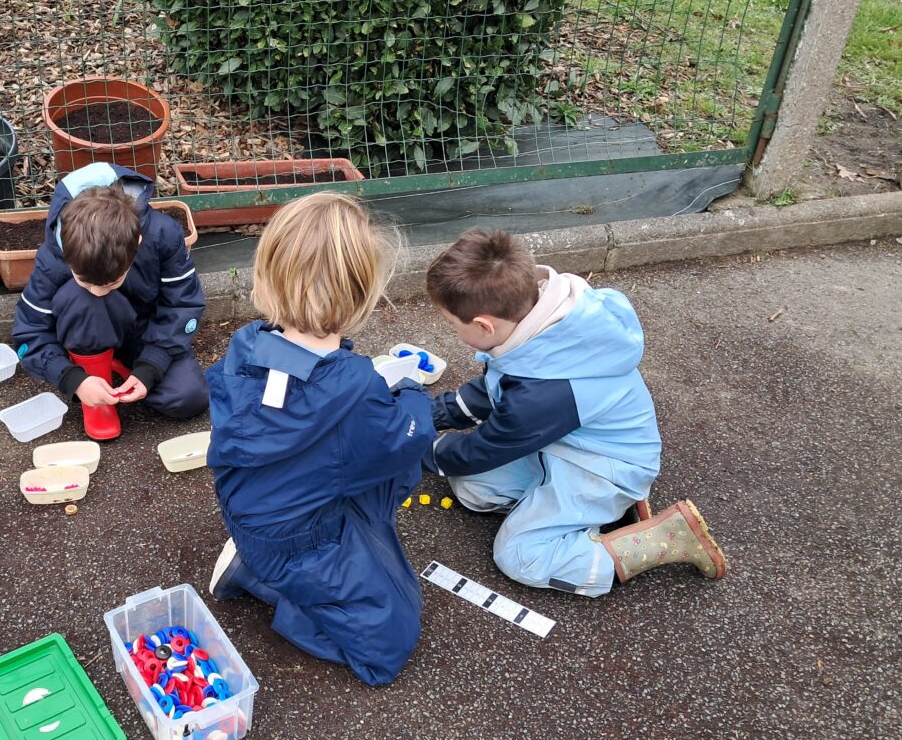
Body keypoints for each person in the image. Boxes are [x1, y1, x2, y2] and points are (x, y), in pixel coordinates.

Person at [205, 193, 434, 686]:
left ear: (265, 275)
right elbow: (403, 441)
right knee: (388, 645)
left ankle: (265, 563)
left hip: (255, 510)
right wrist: (414, 395)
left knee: (364, 482)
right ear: (362, 294)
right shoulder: (356, 384)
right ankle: (266, 584)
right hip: (302, 541)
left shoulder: (247, 345)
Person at [424, 229, 726, 597]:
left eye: (452, 325)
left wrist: (410, 445)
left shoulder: (544, 395)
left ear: (485, 325)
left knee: (519, 557)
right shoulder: (543, 322)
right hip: (565, 443)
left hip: (604, 467)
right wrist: (424, 415)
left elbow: (488, 446)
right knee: (471, 488)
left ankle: (657, 540)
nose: (452, 331)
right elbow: (494, 391)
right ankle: (579, 513)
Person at [12, 162, 207, 440]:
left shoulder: (163, 235)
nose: (98, 292)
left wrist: (153, 363)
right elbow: (29, 332)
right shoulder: (54, 256)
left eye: (112, 283)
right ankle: (94, 376)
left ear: (137, 242)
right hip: (85, 330)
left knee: (188, 398)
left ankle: (126, 363)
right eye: (85, 281)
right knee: (86, 302)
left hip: (142, 331)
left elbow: (183, 304)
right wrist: (73, 379)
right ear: (66, 251)